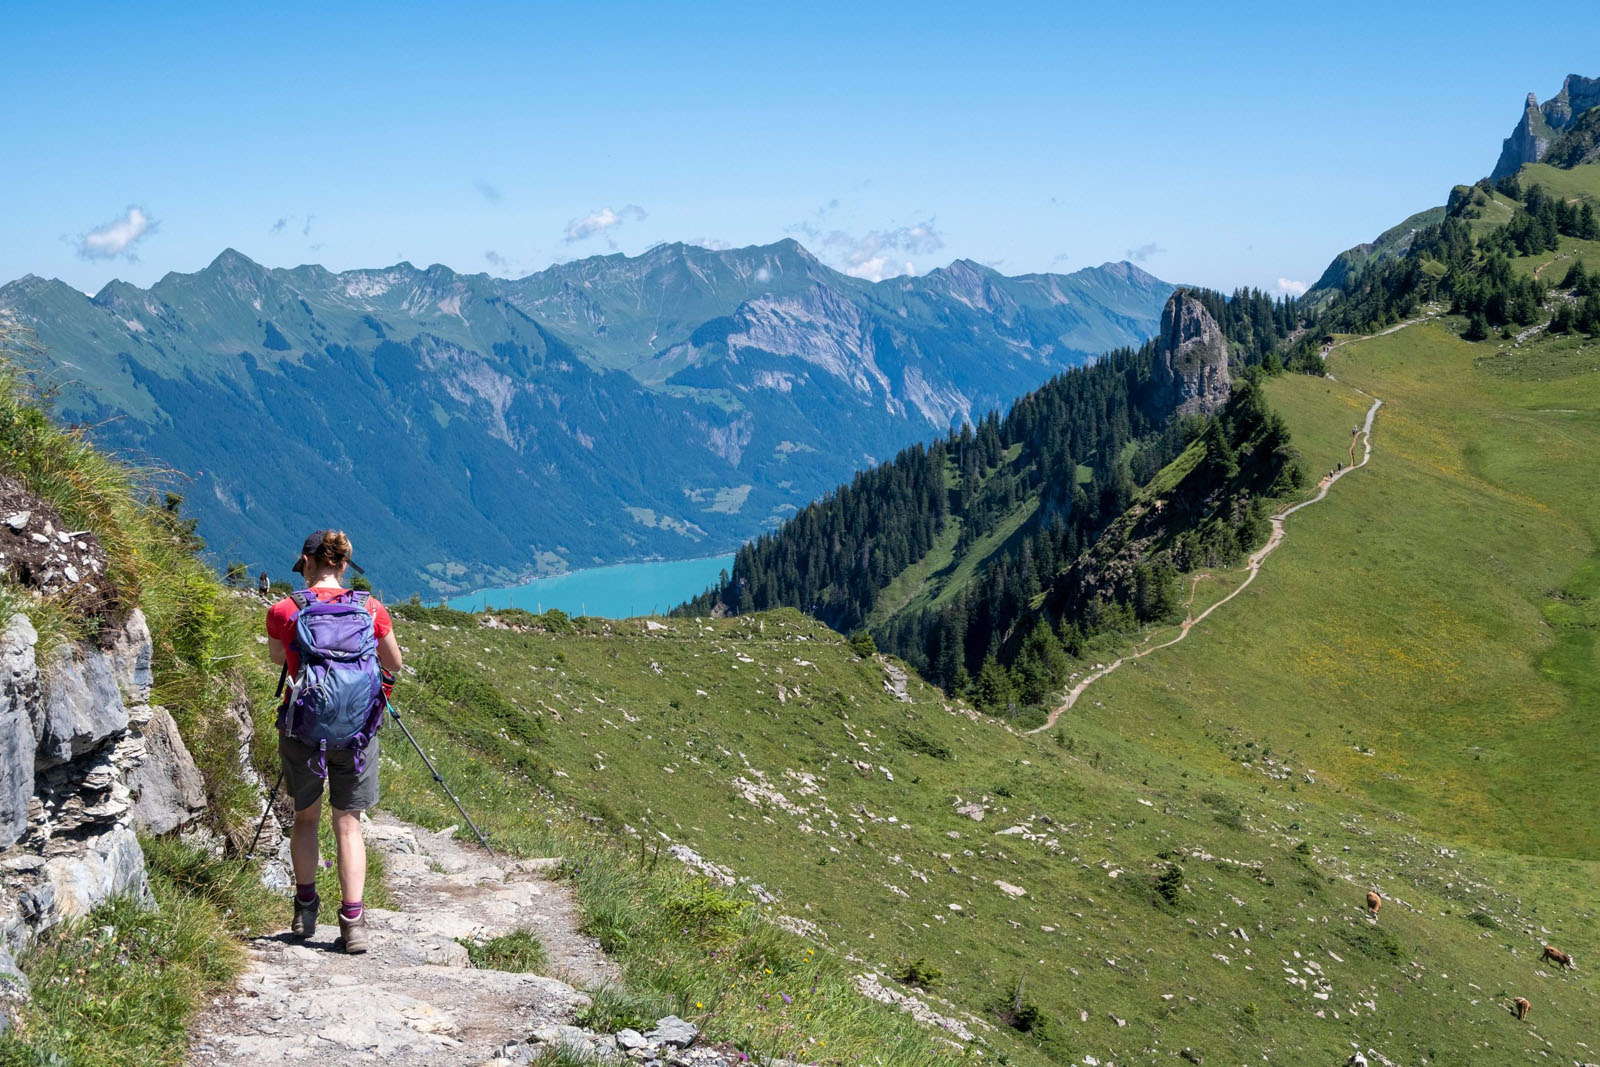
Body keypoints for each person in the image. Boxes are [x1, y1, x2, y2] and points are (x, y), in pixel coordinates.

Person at [265, 530, 402, 953]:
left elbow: (278, 660)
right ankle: (353, 923)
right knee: (349, 824)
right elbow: (394, 663)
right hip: (357, 733)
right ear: (344, 565)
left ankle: (306, 909)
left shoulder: (285, 610)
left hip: (304, 729)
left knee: (306, 820)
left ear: (304, 562)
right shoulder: (370, 608)